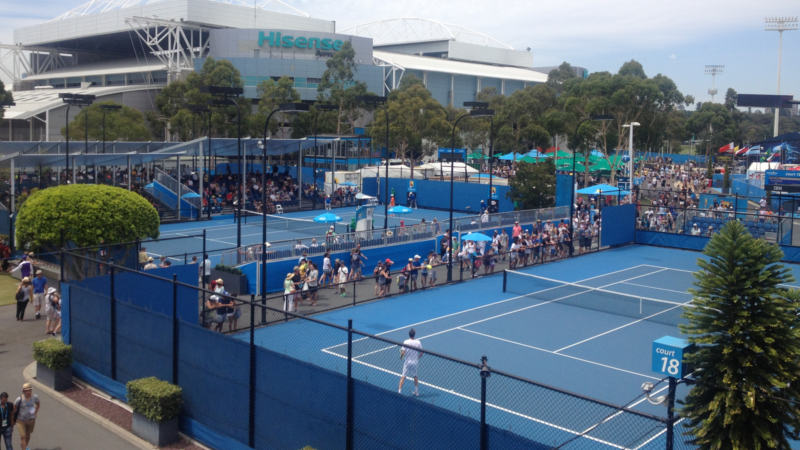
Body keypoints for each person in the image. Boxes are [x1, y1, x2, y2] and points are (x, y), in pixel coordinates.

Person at [398, 328, 423, 396]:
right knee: (415, 376)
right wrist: (417, 358)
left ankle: (399, 392)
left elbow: (402, 351)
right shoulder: (418, 342)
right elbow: (421, 353)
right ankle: (416, 392)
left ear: (409, 335)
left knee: (403, 376)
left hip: (407, 362)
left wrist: (401, 357)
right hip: (415, 362)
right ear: (414, 335)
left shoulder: (406, 342)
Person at [14, 383, 39, 450]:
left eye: (30, 390)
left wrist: (35, 412)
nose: (28, 392)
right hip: (20, 421)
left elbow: (38, 404)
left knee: (28, 436)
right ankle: (24, 448)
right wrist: (13, 419)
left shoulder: (35, 397)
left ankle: (24, 446)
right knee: (23, 436)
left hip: (31, 420)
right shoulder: (19, 399)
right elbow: (14, 408)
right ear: (23, 391)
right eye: (27, 390)